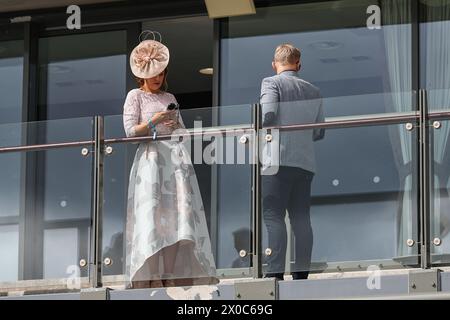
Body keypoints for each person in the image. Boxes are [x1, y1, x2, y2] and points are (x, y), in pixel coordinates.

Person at [123, 34, 217, 288]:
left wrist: (175, 125)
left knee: (179, 216)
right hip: (151, 159)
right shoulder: (136, 96)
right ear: (142, 74)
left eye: (161, 73)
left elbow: (183, 133)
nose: (157, 78)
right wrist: (155, 121)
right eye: (153, 73)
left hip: (174, 160)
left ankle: (170, 275)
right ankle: (151, 276)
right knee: (152, 215)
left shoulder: (169, 96)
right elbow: (130, 132)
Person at [260, 43, 324, 281]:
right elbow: (319, 132)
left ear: (274, 64)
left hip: (276, 160)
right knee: (301, 219)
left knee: (272, 215)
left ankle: (275, 273)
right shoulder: (314, 90)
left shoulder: (271, 82)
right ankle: (301, 274)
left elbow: (267, 114)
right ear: (299, 64)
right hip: (305, 164)